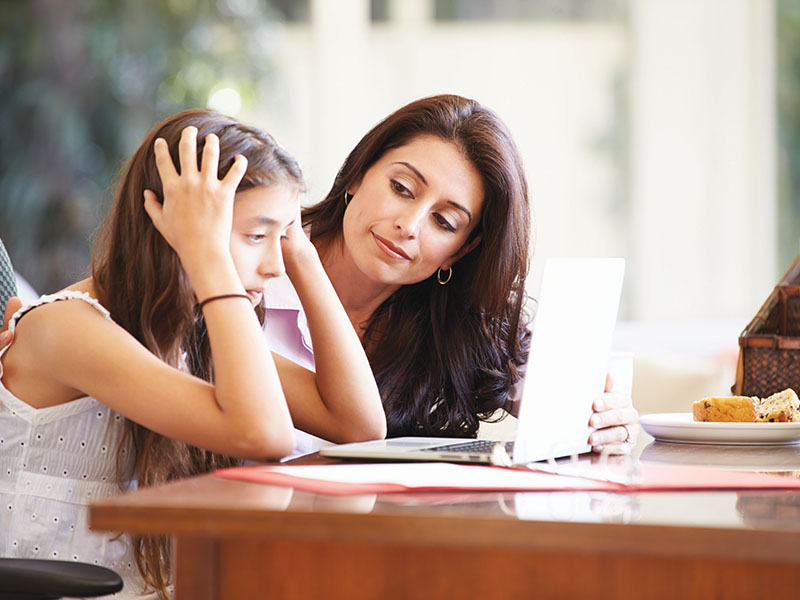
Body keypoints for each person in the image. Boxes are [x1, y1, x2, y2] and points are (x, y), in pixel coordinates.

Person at [0, 109, 384, 600]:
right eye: (255, 235)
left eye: (282, 238)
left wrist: (302, 255)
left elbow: (359, 426)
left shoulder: (188, 335)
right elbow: (262, 435)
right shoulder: (68, 328)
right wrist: (208, 258)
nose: (274, 266)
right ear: (174, 225)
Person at [265, 93, 639, 452]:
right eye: (401, 188)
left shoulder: (454, 322)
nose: (409, 225)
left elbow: (573, 405)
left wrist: (608, 423)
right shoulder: (252, 264)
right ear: (358, 173)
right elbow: (355, 427)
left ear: (460, 251)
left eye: (443, 222)